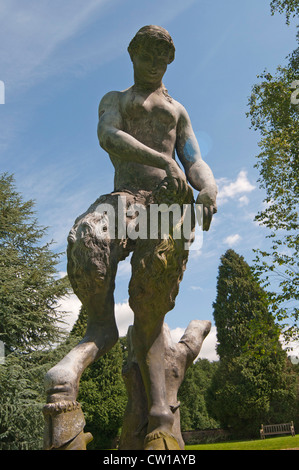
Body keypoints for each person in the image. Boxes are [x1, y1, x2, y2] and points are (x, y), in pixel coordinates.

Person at [44, 25, 217, 450]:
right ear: (132, 55)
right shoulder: (116, 100)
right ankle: (99, 330)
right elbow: (109, 136)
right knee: (88, 238)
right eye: (147, 54)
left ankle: (159, 410)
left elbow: (193, 159)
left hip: (165, 207)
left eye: (162, 56)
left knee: (151, 301)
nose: (155, 61)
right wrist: (161, 158)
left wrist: (209, 186)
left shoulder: (177, 111)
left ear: (169, 61)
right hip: (123, 200)